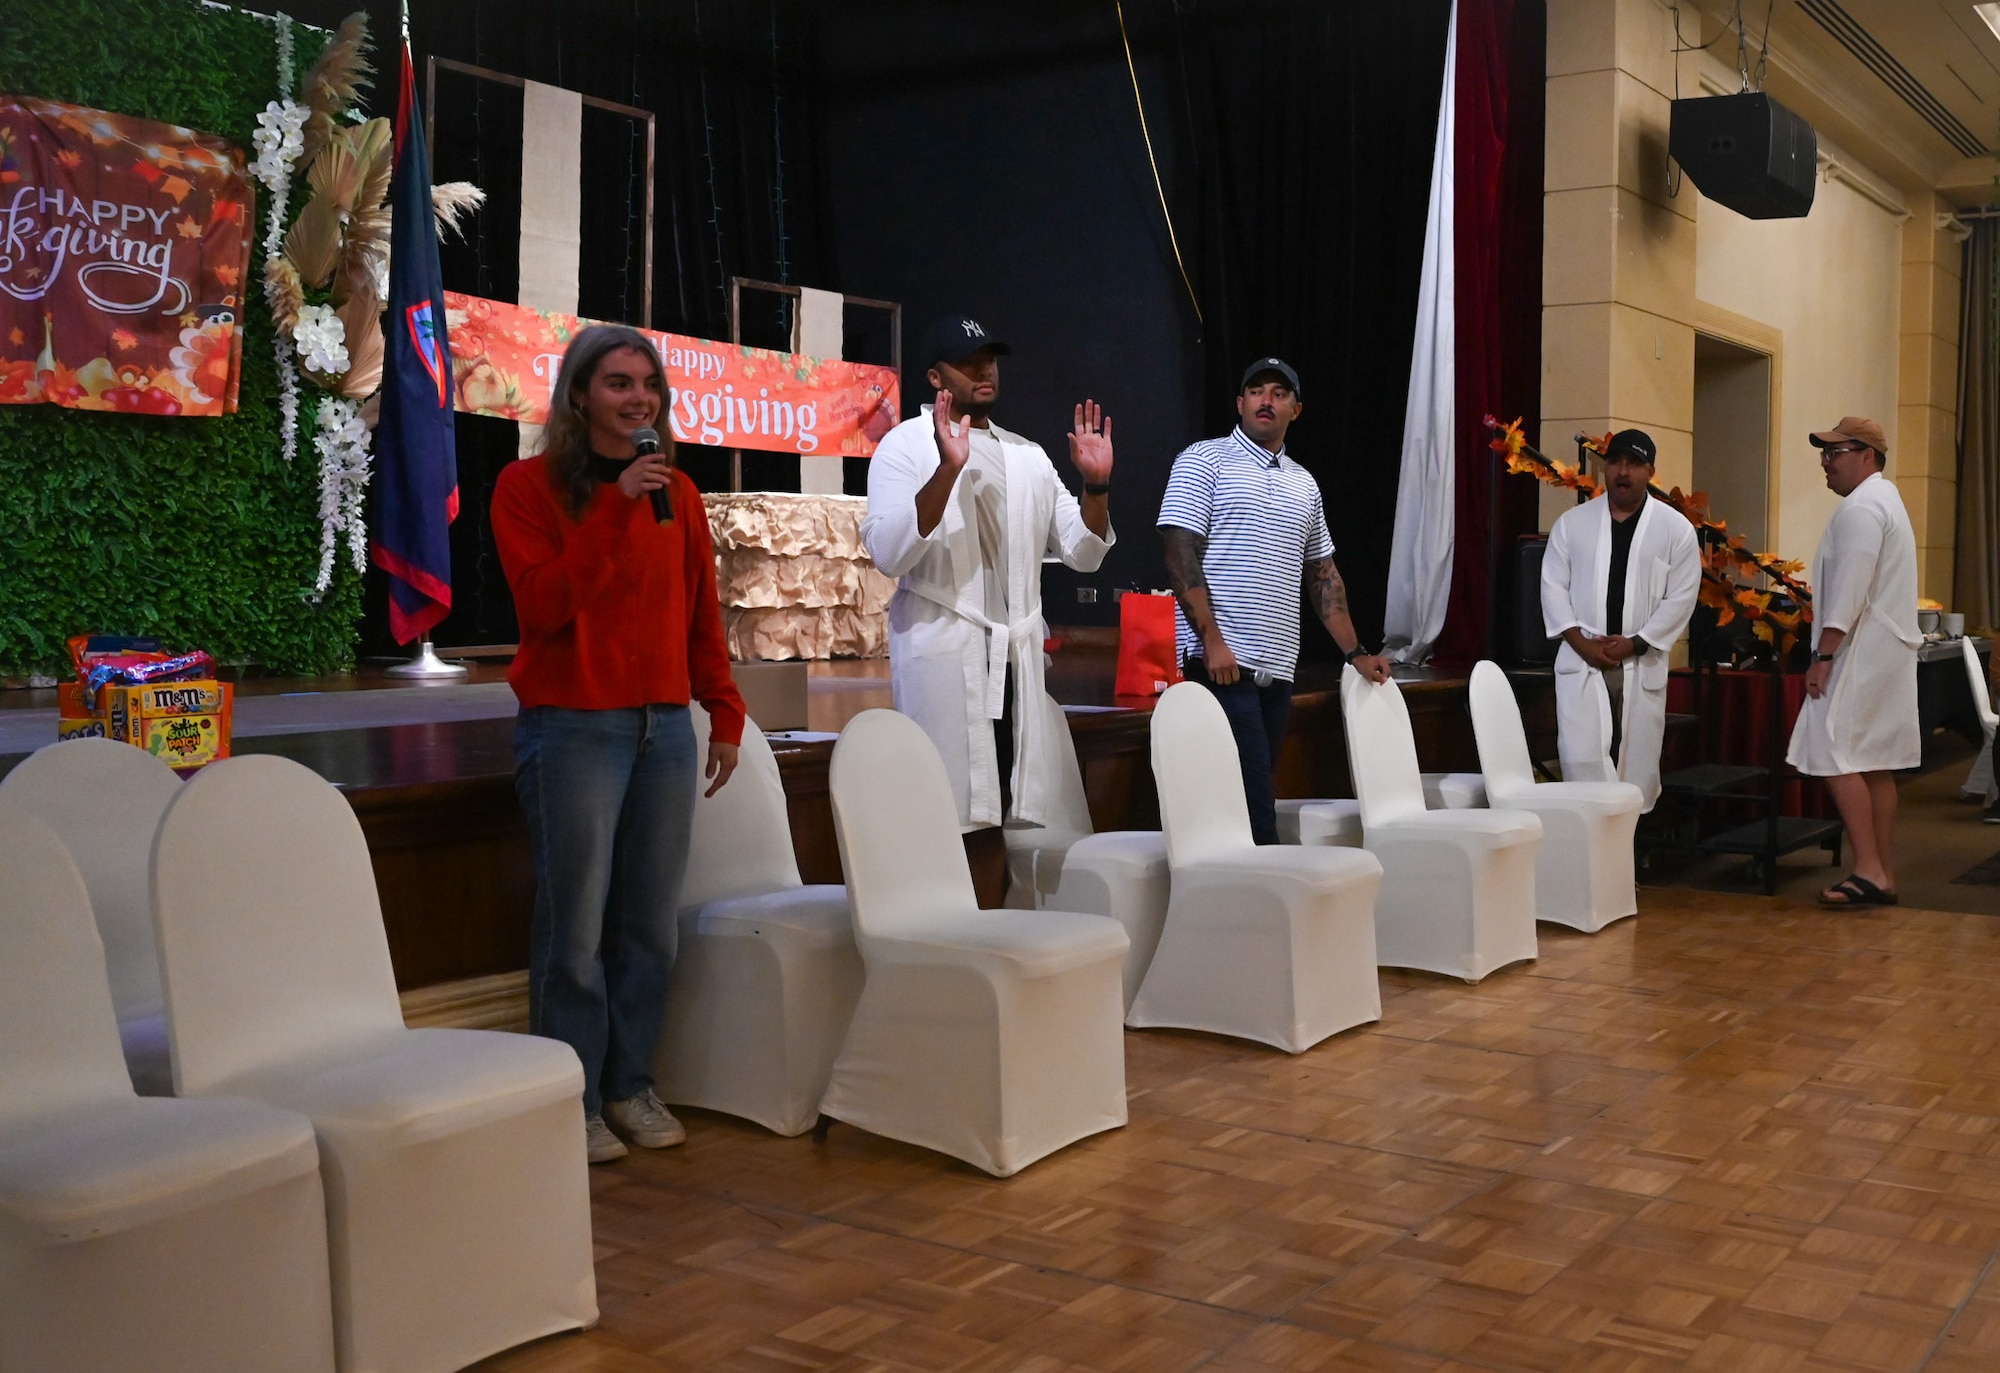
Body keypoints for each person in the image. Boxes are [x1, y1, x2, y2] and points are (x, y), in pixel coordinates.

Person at [491, 324, 746, 1164]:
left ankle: (630, 1084)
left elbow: (700, 609)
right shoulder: (526, 488)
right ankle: (571, 1098)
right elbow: (543, 605)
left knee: (649, 927)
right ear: (579, 395)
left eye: (649, 384)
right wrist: (617, 504)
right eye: (618, 383)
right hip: (574, 726)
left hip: (663, 727)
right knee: (574, 930)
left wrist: (723, 706)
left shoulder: (681, 493)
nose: (640, 398)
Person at [861, 314, 1114, 831]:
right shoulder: (904, 446)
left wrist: (1096, 487)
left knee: (1007, 816)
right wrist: (948, 468)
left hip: (1015, 663)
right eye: (968, 361)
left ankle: (998, 887)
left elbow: (1083, 552)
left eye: (990, 360)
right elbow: (888, 553)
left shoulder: (1028, 455)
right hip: (945, 656)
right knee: (948, 816)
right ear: (935, 377)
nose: (985, 371)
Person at [1159, 357, 1391, 846]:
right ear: (1240, 403)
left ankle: (1240, 891)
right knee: (1252, 815)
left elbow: (1323, 575)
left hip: (1277, 670)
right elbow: (1179, 554)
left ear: (1296, 409)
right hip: (1221, 665)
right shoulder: (1204, 459)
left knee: (1248, 800)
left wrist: (1356, 653)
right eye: (1256, 391)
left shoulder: (1303, 483)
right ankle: (1256, 893)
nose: (1266, 400)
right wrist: (1212, 642)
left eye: (1279, 393)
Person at [1786, 416, 1920, 907]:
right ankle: (1881, 873)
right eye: (1823, 453)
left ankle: (1868, 868)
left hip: (1859, 651)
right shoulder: (1885, 499)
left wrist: (1823, 654)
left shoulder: (1862, 508)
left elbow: (1850, 589)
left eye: (1834, 452)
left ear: (1867, 456)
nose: (1825, 462)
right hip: (1882, 651)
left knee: (1829, 748)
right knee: (1873, 762)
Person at [1540, 427, 1700, 810]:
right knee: (1581, 761)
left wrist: (1636, 642)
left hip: (1639, 659)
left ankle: (1628, 844)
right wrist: (1581, 643)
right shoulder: (1572, 524)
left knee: (1636, 766)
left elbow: (1681, 597)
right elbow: (1552, 587)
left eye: (1634, 464)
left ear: (1650, 471)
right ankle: (1589, 844)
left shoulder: (1675, 529)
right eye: (1615, 462)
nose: (1623, 472)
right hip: (1583, 658)